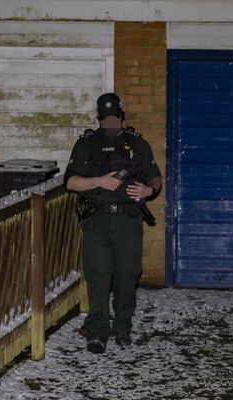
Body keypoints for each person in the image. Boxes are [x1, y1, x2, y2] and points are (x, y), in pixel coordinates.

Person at [65, 93, 162, 353]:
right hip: (96, 220)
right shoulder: (87, 144)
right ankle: (97, 330)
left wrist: (147, 192)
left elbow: (155, 178)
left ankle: (122, 327)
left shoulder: (137, 144)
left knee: (127, 275)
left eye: (113, 116)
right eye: (105, 116)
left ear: (121, 115)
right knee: (98, 274)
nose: (110, 121)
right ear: (99, 116)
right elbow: (71, 182)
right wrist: (98, 181)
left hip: (127, 221)